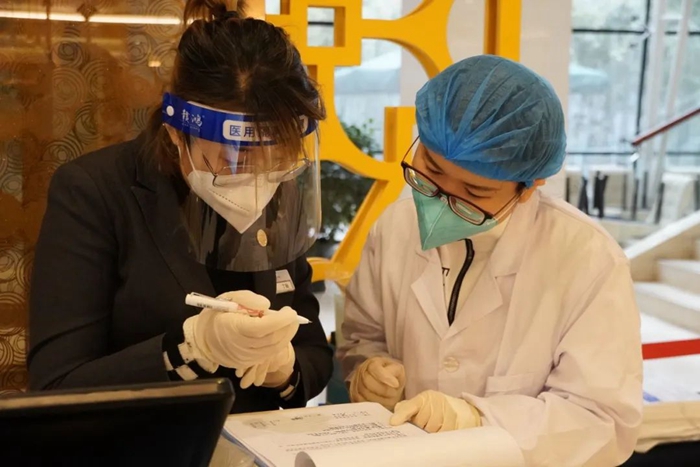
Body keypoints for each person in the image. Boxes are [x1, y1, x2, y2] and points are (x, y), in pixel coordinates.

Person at [28, 0, 334, 414]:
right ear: (176, 132)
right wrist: (189, 348)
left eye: (276, 155)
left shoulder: (279, 188)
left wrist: (284, 369)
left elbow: (314, 351)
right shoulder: (95, 191)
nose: (258, 178)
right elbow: (57, 385)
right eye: (236, 158)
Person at [337, 55, 642, 466]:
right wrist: (371, 372)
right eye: (430, 170)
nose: (441, 200)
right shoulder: (395, 227)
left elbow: (601, 420)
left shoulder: (587, 259)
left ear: (530, 185)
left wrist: (477, 420)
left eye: (475, 193)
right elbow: (363, 337)